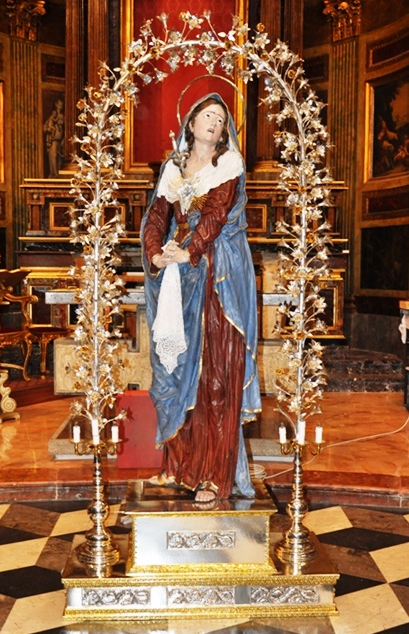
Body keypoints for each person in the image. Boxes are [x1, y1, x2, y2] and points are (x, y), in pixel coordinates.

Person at [141, 93, 261, 504]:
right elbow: (157, 215)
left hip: (217, 276)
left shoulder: (228, 166)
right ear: (190, 122)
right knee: (174, 371)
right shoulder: (173, 168)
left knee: (215, 377)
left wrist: (189, 251)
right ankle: (179, 465)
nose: (214, 122)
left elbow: (216, 215)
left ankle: (214, 475)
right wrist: (156, 252)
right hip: (180, 276)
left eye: (221, 119)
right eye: (207, 115)